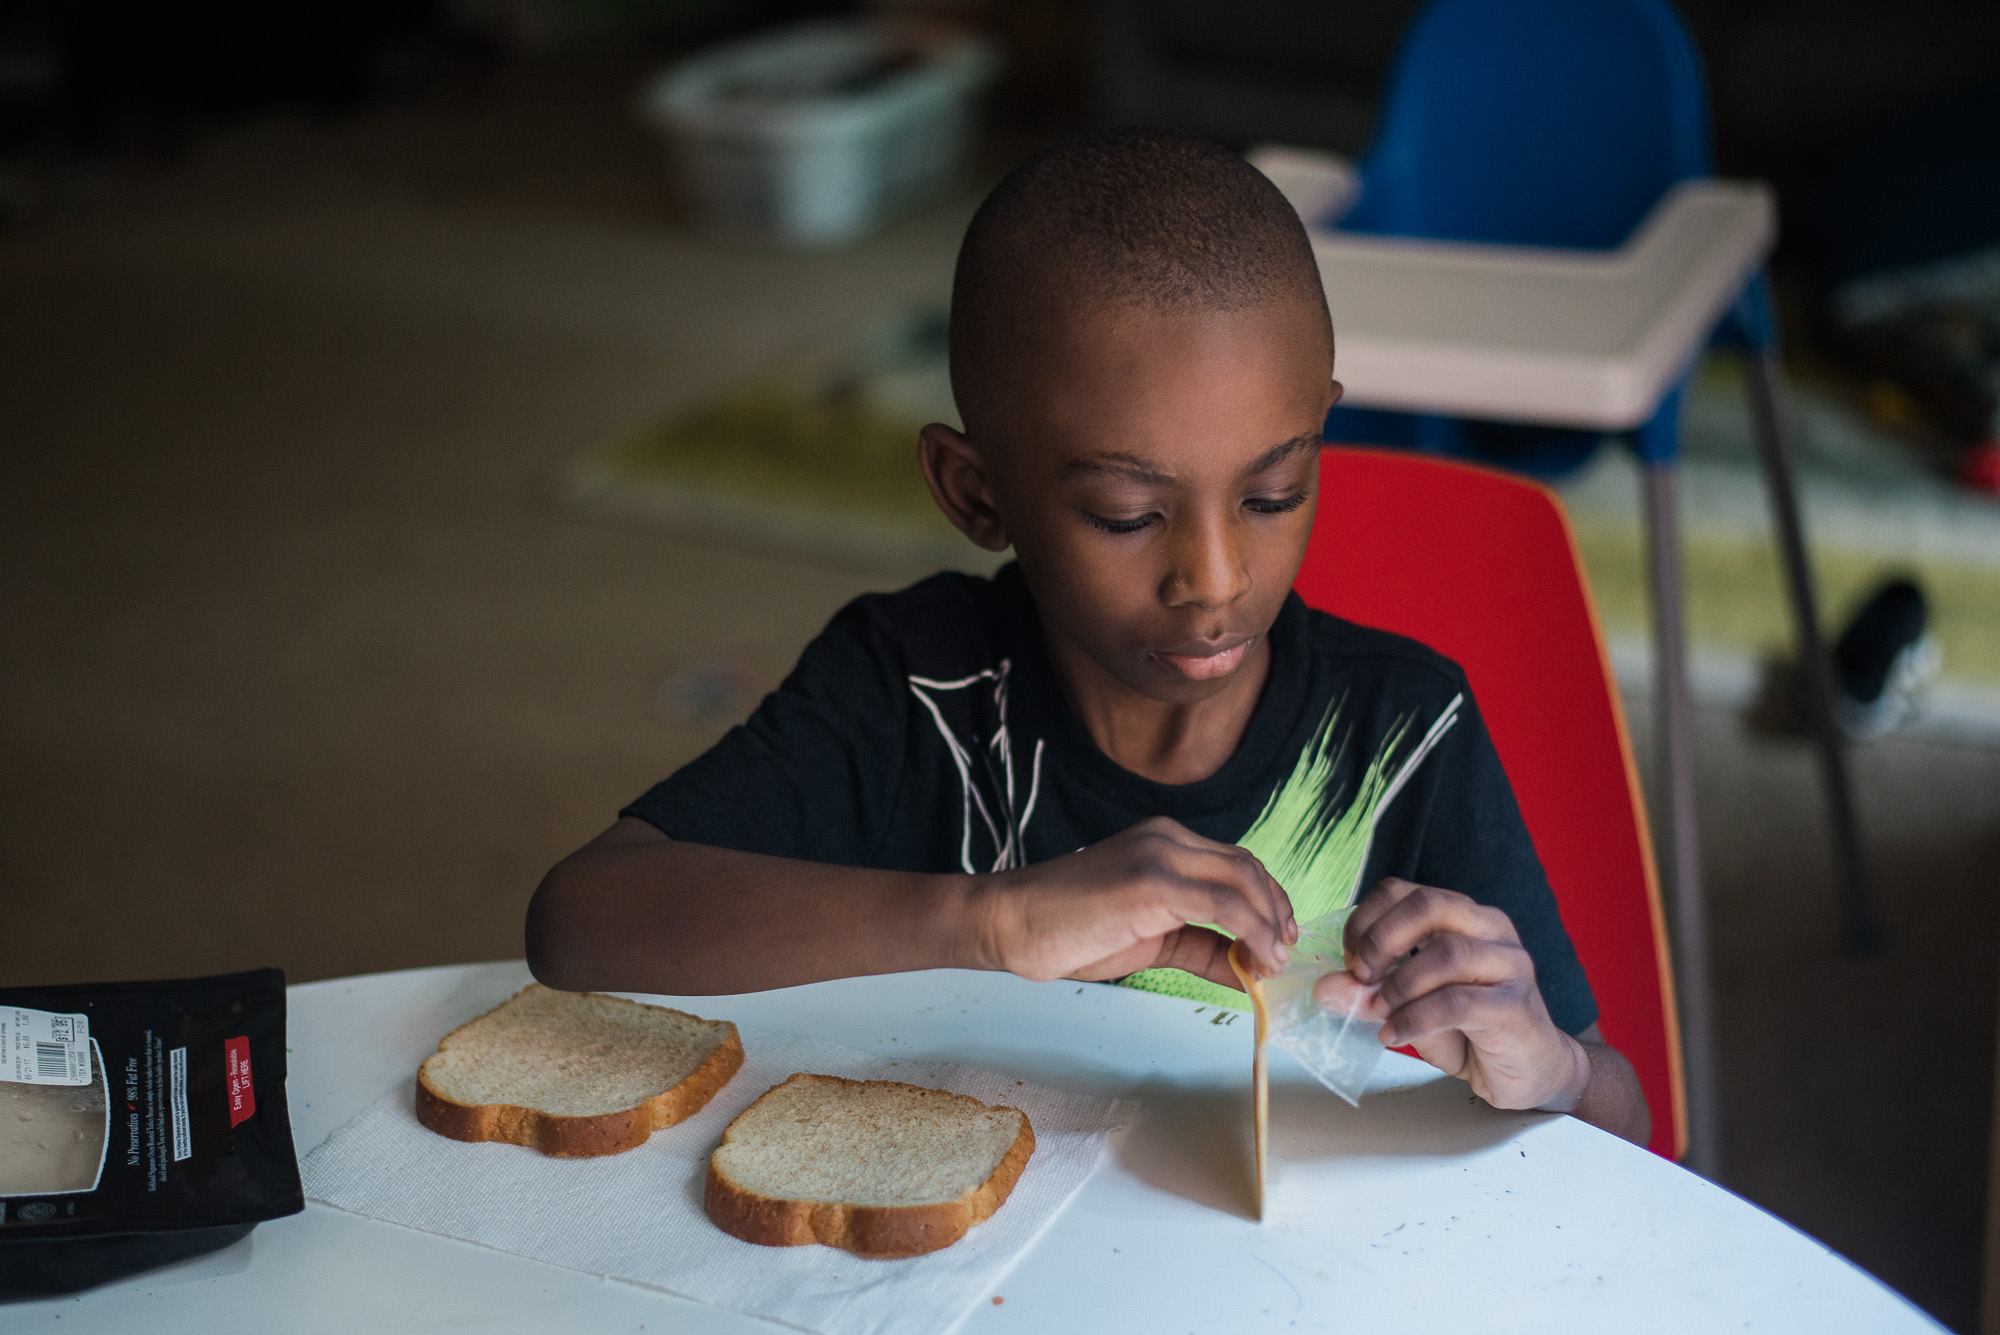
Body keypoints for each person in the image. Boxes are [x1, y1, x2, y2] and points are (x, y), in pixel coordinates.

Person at [527, 127, 1649, 1144]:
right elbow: (578, 923)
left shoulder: (1400, 728)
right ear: (975, 493)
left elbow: (1626, 1122)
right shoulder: (916, 685)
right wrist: (991, 921)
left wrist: (1542, 1066)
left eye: (1274, 494)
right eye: (1126, 516)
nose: (1213, 581)